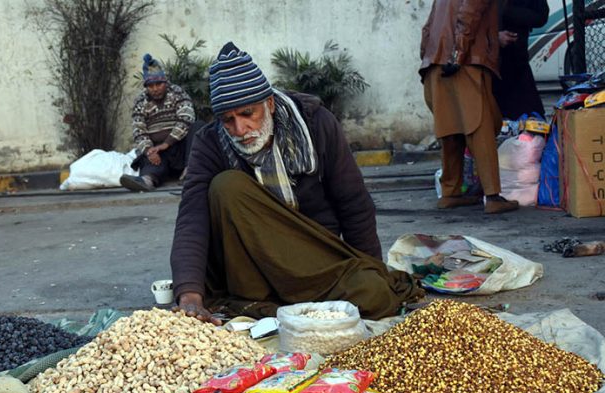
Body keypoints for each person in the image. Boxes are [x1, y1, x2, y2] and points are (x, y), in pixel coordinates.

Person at [170, 42, 423, 325]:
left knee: (375, 295)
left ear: (269, 104)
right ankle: (268, 304)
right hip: (250, 266)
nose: (240, 130)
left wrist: (372, 268)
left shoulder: (316, 125)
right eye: (228, 120)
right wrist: (189, 294)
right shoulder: (210, 142)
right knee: (227, 186)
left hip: (311, 253)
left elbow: (353, 203)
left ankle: (275, 308)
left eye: (247, 114)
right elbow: (192, 217)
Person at [420, 0, 520, 214]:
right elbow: (469, 14)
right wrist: (458, 53)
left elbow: (428, 27)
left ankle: (450, 192)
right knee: (481, 125)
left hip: (435, 62)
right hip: (465, 61)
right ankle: (492, 196)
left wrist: (427, 59)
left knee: (450, 129)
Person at [121, 54, 203, 192]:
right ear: (146, 86)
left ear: (165, 82)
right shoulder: (141, 101)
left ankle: (191, 173)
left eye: (158, 84)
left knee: (198, 127)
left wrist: (167, 143)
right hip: (157, 152)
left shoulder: (178, 93)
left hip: (179, 147)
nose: (155, 89)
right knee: (148, 160)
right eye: (151, 85)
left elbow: (186, 119)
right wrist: (149, 150)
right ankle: (147, 181)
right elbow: (139, 130)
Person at [493, 0, 549, 120]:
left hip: (517, 59)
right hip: (491, 62)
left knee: (530, 114)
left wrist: (509, 13)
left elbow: (541, 16)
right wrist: (494, 36)